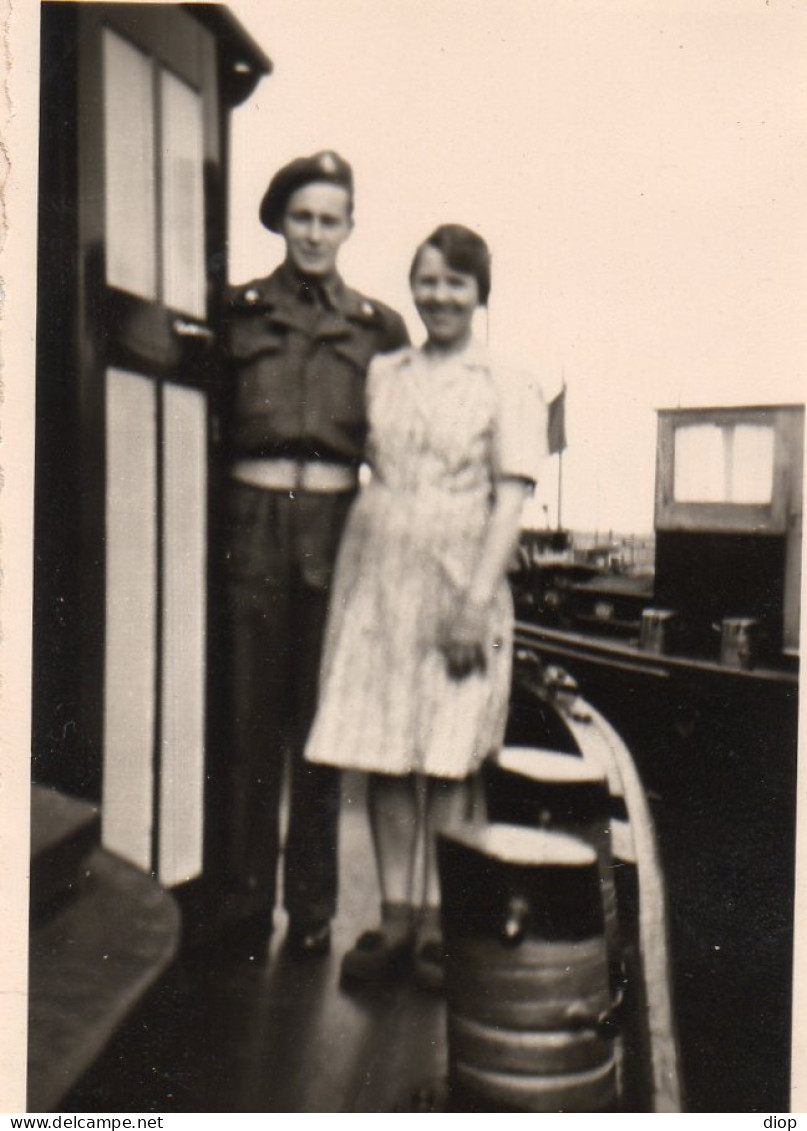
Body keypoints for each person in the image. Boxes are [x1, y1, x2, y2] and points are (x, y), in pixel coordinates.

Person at [305, 224, 547, 987]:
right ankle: (396, 916)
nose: (438, 296)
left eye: (456, 283)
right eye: (428, 281)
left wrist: (474, 602)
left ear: (480, 295)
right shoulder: (383, 372)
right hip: (377, 573)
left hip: (458, 576)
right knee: (383, 751)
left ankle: (443, 918)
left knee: (447, 760)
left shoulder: (507, 381)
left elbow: (509, 501)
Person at [220, 151, 409, 960]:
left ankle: (312, 914)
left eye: (330, 219)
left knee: (322, 736)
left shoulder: (378, 326)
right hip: (250, 524)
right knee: (245, 725)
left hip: (339, 530)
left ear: (350, 227)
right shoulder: (236, 311)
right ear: (279, 221)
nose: (314, 233)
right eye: (302, 216)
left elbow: (399, 446)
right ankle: (239, 906)